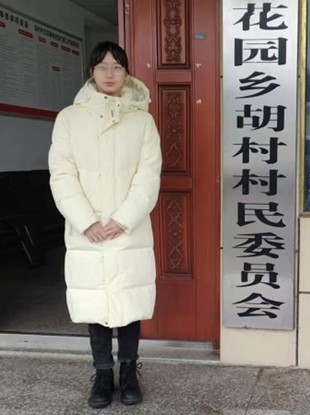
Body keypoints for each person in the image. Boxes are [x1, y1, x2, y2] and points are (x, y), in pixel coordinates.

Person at [48, 41, 162, 409]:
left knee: (128, 300)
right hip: (88, 231)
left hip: (127, 229)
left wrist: (123, 219)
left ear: (127, 73)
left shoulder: (142, 121)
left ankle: (128, 371)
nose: (109, 73)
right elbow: (62, 174)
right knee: (95, 303)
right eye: (102, 66)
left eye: (117, 67)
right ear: (91, 72)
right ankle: (101, 373)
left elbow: (148, 177)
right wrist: (86, 222)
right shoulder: (69, 118)